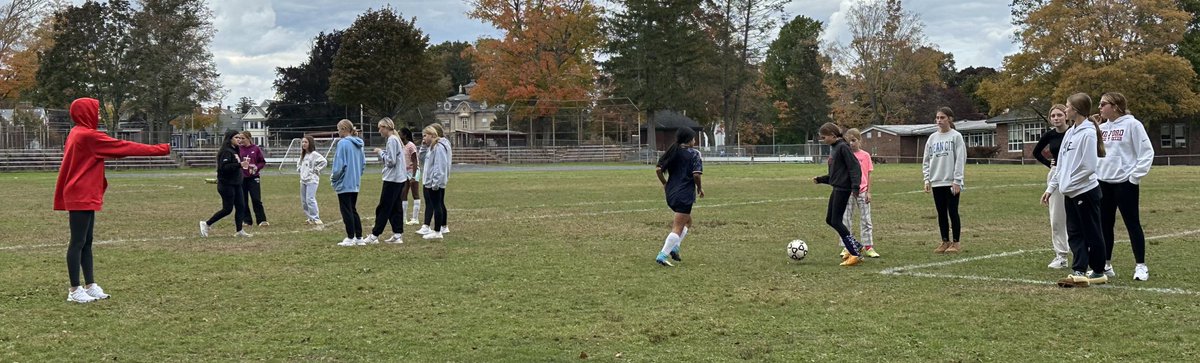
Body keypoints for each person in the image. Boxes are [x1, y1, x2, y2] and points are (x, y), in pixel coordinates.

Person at [54, 97, 171, 303]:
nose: (98, 115)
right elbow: (124, 147)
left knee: (86, 242)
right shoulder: (87, 136)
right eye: (95, 111)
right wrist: (161, 149)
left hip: (84, 193)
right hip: (80, 194)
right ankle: (74, 289)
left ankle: (89, 285)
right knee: (78, 242)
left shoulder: (77, 132)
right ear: (85, 112)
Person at [1045, 93, 1108, 287]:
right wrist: (1052, 187)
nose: (1065, 110)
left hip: (1085, 191)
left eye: (1067, 106)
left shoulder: (1088, 133)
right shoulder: (1071, 132)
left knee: (1092, 232)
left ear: (1077, 110)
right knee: (1074, 232)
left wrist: (1070, 183)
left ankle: (1098, 271)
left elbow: (1089, 167)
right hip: (1070, 192)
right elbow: (1061, 164)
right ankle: (1079, 270)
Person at [1096, 92, 1154, 281]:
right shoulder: (1102, 128)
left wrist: (1134, 177)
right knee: (1105, 225)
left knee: (1132, 224)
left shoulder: (1133, 125)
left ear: (1116, 106)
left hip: (1125, 183)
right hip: (1103, 182)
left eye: (1103, 104)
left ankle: (1140, 266)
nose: (1100, 108)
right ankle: (1105, 264)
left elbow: (1146, 152)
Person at [813, 123, 864, 266]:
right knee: (830, 219)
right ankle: (856, 246)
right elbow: (835, 174)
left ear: (833, 135)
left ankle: (855, 253)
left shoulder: (843, 147)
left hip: (843, 189)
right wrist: (821, 179)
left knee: (836, 221)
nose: (823, 140)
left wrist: (855, 187)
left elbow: (855, 167)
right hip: (837, 187)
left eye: (824, 137)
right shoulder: (834, 148)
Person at [654, 128, 704, 267]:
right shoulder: (694, 154)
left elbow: (658, 169)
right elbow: (696, 174)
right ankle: (663, 254)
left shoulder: (673, 151)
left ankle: (675, 248)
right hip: (684, 194)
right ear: (689, 140)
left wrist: (665, 184)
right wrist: (699, 188)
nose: (695, 141)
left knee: (687, 222)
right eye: (693, 138)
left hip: (671, 193)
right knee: (678, 227)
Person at [1032, 104, 1072, 269]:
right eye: (1053, 116)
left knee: (1077, 216)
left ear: (1066, 116)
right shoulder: (1050, 135)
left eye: (1059, 115)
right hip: (1056, 175)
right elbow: (1036, 152)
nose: (1056, 118)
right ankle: (1061, 255)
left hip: (1074, 175)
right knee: (1057, 217)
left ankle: (1082, 252)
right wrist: (1050, 165)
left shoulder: (1074, 132)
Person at [922, 107, 967, 253]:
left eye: (942, 117)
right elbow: (926, 160)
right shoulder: (932, 138)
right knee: (941, 213)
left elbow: (960, 159)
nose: (939, 120)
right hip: (937, 181)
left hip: (951, 182)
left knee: (952, 211)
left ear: (950, 119)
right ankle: (944, 241)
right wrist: (927, 179)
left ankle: (956, 243)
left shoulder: (956, 137)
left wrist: (957, 180)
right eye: (937, 118)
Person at [363, 118, 408, 245]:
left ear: (386, 127)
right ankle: (397, 234)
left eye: (380, 127)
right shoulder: (395, 139)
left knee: (383, 207)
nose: (379, 130)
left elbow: (391, 161)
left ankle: (374, 235)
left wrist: (380, 153)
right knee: (395, 207)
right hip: (398, 178)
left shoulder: (392, 140)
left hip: (392, 179)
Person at [201, 130, 253, 239]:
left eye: (240, 137)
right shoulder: (226, 151)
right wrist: (239, 165)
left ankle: (239, 231)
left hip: (236, 183)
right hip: (226, 184)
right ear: (230, 139)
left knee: (241, 207)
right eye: (236, 137)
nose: (239, 139)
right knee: (227, 209)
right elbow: (224, 167)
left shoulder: (235, 150)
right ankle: (206, 223)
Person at [840, 128, 878, 258]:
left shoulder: (865, 156)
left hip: (862, 192)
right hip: (848, 192)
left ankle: (868, 246)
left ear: (859, 140)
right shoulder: (845, 155)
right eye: (848, 141)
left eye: (853, 140)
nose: (851, 144)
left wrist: (869, 192)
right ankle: (847, 247)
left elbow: (869, 174)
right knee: (846, 220)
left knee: (866, 220)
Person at [332, 119, 366, 246]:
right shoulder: (359, 144)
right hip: (355, 181)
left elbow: (339, 165)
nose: (338, 131)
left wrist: (334, 178)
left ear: (344, 129)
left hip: (345, 181)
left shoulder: (343, 143)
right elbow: (363, 164)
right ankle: (359, 237)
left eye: (338, 128)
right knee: (353, 209)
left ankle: (350, 237)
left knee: (346, 209)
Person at [416, 124, 451, 240]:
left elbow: (439, 167)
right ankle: (437, 229)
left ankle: (437, 231)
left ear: (432, 135)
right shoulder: (432, 147)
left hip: (434, 183)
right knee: (437, 205)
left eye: (425, 136)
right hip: (430, 181)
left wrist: (435, 183)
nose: (423, 138)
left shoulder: (439, 147)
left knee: (437, 206)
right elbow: (423, 159)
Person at [238, 131, 269, 227]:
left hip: (254, 177)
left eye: (243, 138)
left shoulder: (255, 149)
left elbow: (262, 162)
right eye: (239, 138)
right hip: (242, 178)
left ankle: (261, 220)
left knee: (256, 199)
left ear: (249, 138)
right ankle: (247, 220)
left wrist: (256, 167)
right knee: (243, 200)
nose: (241, 140)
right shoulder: (238, 149)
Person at [297, 135, 327, 225]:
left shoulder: (314, 154)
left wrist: (316, 170)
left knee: (310, 199)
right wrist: (300, 170)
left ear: (310, 143)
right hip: (303, 180)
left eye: (306, 142)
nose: (304, 144)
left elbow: (324, 162)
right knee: (304, 201)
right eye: (303, 142)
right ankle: (309, 218)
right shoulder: (303, 155)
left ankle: (316, 218)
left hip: (312, 180)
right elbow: (299, 165)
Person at [400, 127, 422, 225]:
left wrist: (413, 176)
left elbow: (415, 161)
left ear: (404, 135)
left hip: (413, 171)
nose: (398, 135)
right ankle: (403, 218)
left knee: (415, 194)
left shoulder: (411, 146)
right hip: (405, 172)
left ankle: (415, 218)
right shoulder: (401, 146)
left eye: (400, 133)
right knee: (403, 194)